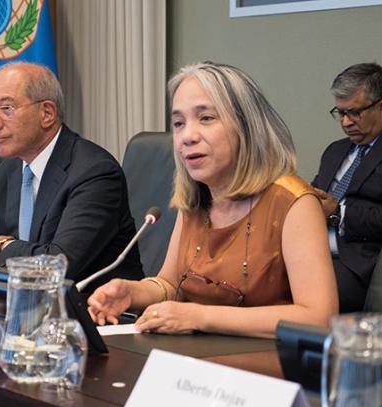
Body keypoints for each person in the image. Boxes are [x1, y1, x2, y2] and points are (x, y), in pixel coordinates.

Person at [88, 62, 338, 338]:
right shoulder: (197, 196)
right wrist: (133, 292)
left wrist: (200, 316)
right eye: (179, 123)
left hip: (263, 366)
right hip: (189, 362)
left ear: (246, 125)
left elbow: (319, 318)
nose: (187, 136)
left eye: (206, 118)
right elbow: (170, 284)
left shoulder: (294, 202)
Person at [0, 62, 143, 292]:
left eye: (6, 109)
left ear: (47, 113)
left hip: (92, 315)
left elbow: (58, 264)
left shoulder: (94, 172)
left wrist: (3, 245)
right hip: (22, 308)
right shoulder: (7, 170)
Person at [312, 63, 382, 312]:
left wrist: (338, 213)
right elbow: (314, 194)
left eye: (354, 113)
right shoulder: (335, 150)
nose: (345, 122)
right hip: (311, 246)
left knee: (312, 295)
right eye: (340, 113)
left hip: (354, 259)